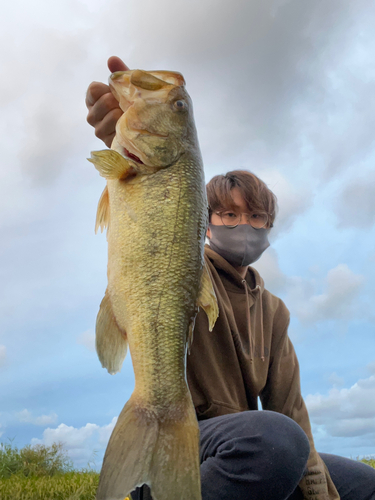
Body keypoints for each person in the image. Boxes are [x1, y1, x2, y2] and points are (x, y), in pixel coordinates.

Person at [86, 57, 375, 500]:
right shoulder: (187, 264)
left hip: (251, 443)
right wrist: (119, 138)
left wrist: (320, 493)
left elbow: (291, 409)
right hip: (200, 440)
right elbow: (160, 223)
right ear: (204, 221)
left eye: (258, 217)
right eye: (230, 214)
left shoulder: (275, 311)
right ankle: (152, 489)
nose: (246, 225)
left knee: (350, 477)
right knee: (275, 442)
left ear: (270, 227)